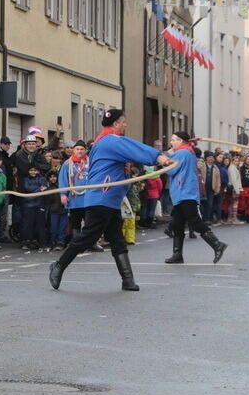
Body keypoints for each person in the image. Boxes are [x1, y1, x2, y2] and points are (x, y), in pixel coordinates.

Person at [49, 109, 171, 292]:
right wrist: (158, 156)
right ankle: (58, 266)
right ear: (115, 124)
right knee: (88, 236)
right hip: (101, 196)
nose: (125, 125)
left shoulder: (105, 140)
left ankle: (127, 280)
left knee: (116, 239)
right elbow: (134, 148)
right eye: (123, 122)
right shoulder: (110, 141)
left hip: (110, 198)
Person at [163, 132, 228, 265]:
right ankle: (177, 254)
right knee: (177, 223)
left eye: (173, 140)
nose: (171, 142)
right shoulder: (188, 151)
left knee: (194, 221)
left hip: (185, 193)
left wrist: (162, 162)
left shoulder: (182, 152)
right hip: (183, 193)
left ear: (181, 141)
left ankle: (217, 244)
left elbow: (171, 170)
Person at [20, 160, 48, 250]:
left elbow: (44, 189)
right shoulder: (25, 179)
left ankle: (40, 242)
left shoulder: (42, 178)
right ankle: (28, 241)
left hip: (39, 204)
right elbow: (27, 187)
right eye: (31, 170)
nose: (33, 172)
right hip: (29, 205)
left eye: (35, 170)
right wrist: (39, 190)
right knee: (28, 225)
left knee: (40, 225)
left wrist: (33, 192)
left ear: (38, 171)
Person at [45, 169, 67, 250]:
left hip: (63, 210)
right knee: (53, 228)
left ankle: (60, 243)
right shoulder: (48, 188)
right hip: (53, 211)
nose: (53, 178)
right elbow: (48, 201)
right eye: (51, 177)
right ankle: (53, 242)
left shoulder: (62, 186)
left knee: (62, 228)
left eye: (54, 176)